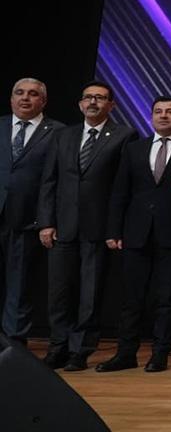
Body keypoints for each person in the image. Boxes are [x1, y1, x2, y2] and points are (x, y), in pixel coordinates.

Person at [37, 81, 137, 371]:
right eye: (89, 97)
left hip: (99, 227)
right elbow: (49, 181)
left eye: (100, 98)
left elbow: (123, 187)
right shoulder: (63, 135)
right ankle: (58, 347)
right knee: (59, 291)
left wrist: (115, 228)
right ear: (80, 104)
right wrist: (46, 222)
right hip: (62, 226)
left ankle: (80, 350)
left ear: (111, 105)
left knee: (90, 294)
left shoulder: (124, 135)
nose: (93, 102)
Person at [96, 96, 171, 373]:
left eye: (170, 112)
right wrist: (113, 229)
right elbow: (120, 192)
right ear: (151, 117)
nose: (163, 116)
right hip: (135, 233)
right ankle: (125, 354)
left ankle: (160, 354)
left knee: (166, 298)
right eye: (158, 112)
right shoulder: (134, 149)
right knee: (131, 298)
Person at [1, 78, 63, 347]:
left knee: (20, 285)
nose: (25, 98)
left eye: (33, 94)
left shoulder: (59, 132)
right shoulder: (1, 125)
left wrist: (47, 220)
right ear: (11, 99)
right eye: (19, 93)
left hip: (28, 219)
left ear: (43, 101)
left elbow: (58, 180)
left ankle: (13, 346)